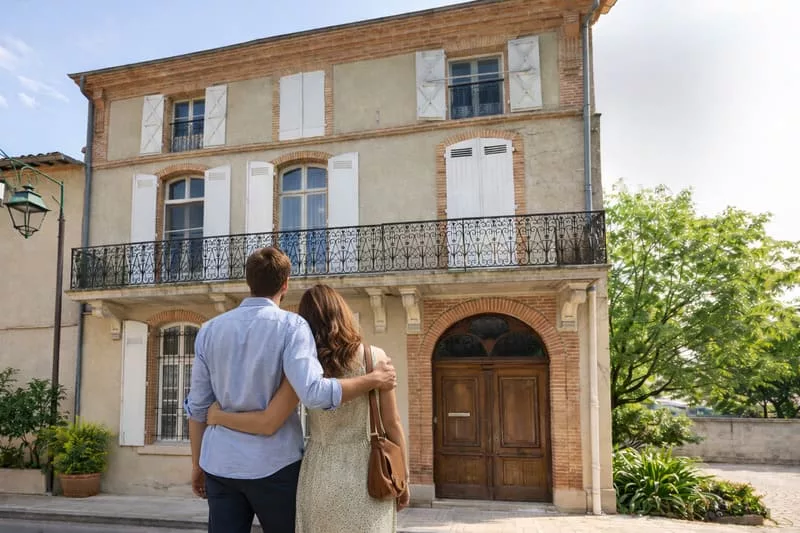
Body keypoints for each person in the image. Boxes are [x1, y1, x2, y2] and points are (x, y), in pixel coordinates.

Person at [184, 248, 397, 533]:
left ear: (248, 282)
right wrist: (373, 379)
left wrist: (197, 464)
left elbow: (198, 407)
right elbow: (314, 393)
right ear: (286, 284)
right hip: (275, 468)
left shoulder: (209, 330)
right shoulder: (292, 327)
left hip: (221, 466)